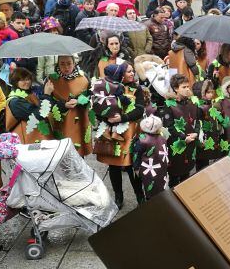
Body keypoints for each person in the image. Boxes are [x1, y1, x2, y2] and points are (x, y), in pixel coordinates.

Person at [92, 63, 146, 209]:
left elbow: (140, 110)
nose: (132, 73)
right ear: (120, 74)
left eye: (132, 71)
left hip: (129, 134)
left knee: (130, 166)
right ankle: (118, 196)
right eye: (128, 71)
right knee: (114, 166)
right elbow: (99, 107)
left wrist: (122, 118)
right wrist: (106, 118)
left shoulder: (137, 89)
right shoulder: (108, 87)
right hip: (113, 134)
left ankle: (139, 195)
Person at [43, 56, 92, 157]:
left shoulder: (84, 77)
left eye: (69, 63)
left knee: (78, 154)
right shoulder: (50, 80)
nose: (66, 67)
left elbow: (91, 96)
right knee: (62, 155)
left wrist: (80, 101)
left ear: (74, 63)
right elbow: (46, 103)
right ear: (58, 64)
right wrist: (63, 105)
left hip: (80, 121)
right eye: (62, 64)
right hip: (60, 123)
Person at [164, 74, 200, 187]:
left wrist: (196, 133)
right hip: (176, 146)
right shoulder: (169, 105)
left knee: (186, 175)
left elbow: (198, 121)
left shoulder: (192, 103)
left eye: (188, 86)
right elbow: (169, 127)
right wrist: (184, 137)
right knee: (174, 177)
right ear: (176, 89)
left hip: (190, 143)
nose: (187, 89)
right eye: (183, 87)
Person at [6, 68, 53, 144]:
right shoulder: (15, 101)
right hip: (28, 141)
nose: (26, 82)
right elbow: (39, 115)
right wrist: (47, 95)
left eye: (28, 79)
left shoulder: (29, 95)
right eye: (22, 80)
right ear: (15, 82)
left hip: (38, 138)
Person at [132, 112, 169, 200]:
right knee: (159, 186)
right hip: (161, 168)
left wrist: (136, 168)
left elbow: (136, 155)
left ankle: (149, 204)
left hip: (148, 170)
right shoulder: (163, 138)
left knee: (150, 188)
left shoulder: (142, 140)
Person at [195, 79, 222, 171]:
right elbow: (198, 124)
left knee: (208, 163)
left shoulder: (212, 105)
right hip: (203, 137)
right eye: (208, 92)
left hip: (212, 136)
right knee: (202, 163)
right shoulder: (200, 107)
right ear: (203, 93)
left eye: (211, 92)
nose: (210, 94)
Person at [36, 17, 66, 83]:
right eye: (50, 31)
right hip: (50, 77)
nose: (53, 33)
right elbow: (40, 66)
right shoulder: (43, 47)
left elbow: (75, 58)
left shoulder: (64, 43)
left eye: (55, 30)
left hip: (64, 74)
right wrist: (40, 80)